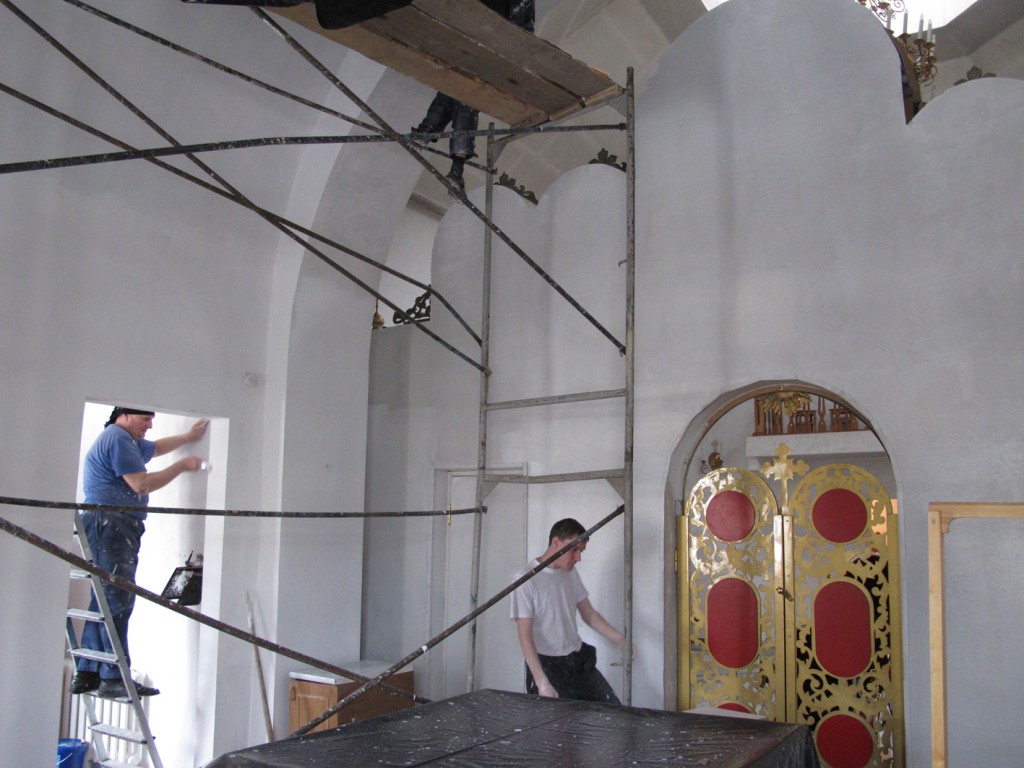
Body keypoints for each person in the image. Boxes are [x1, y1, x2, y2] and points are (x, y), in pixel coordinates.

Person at [69, 407, 208, 699]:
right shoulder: (118, 438)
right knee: (118, 597)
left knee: (104, 597)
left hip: (109, 521)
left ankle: (89, 670)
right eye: (145, 420)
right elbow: (141, 484)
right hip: (110, 521)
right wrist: (183, 466)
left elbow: (155, 448)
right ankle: (114, 676)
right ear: (124, 416)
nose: (149, 426)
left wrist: (189, 437)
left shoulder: (125, 440)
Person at [411, 0, 535, 190]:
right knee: (456, 86)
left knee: (466, 95)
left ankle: (434, 136)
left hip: (495, 51)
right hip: (471, 40)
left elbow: (526, 34)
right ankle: (452, 161)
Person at [510, 517, 633, 703]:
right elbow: (525, 636)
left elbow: (589, 614)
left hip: (577, 660)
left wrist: (619, 639)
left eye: (581, 551)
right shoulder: (526, 579)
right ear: (556, 542)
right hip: (548, 666)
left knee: (613, 709)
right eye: (574, 550)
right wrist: (542, 682)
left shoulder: (570, 573)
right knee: (560, 722)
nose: (578, 558)